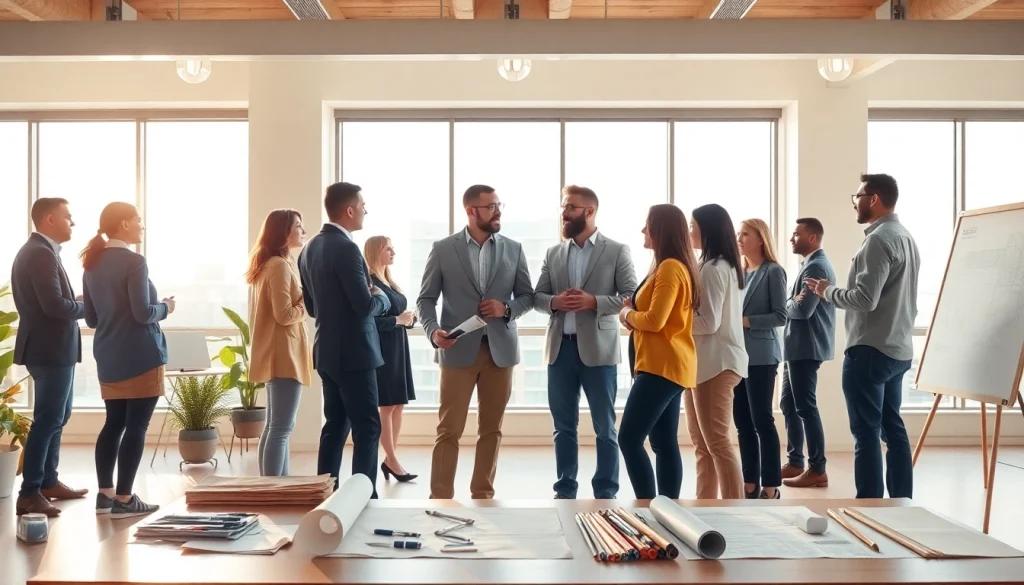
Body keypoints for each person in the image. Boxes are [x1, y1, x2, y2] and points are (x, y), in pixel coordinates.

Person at [417, 184, 535, 499]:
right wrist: (432, 331)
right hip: (457, 351)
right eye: (491, 206)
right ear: (471, 211)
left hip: (501, 351)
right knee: (449, 430)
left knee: (492, 429)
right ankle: (440, 496)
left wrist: (506, 308)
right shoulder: (443, 249)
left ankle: (482, 493)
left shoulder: (514, 248)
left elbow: (527, 296)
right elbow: (425, 300)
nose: (498, 211)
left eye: (499, 205)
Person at [806, 173, 919, 499]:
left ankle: (869, 506)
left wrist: (827, 291)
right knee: (893, 429)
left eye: (857, 196)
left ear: (873, 199)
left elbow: (864, 299)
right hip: (898, 349)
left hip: (870, 350)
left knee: (866, 432)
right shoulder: (907, 238)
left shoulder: (878, 240)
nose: (854, 202)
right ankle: (902, 502)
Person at [533, 185, 637, 500]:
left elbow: (631, 296)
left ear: (588, 211)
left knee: (605, 427)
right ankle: (565, 488)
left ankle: (606, 490)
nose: (564, 213)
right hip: (559, 350)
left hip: (599, 351)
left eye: (570, 207)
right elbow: (537, 297)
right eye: (563, 207)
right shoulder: (554, 252)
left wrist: (594, 301)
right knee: (563, 427)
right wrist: (554, 302)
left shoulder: (617, 250)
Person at [298, 182, 391, 497]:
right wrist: (382, 298)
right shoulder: (348, 248)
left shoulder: (309, 248)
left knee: (335, 427)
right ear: (350, 210)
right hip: (356, 353)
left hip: (326, 351)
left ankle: (325, 493)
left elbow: (311, 308)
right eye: (363, 205)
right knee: (367, 427)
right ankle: (362, 497)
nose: (366, 210)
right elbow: (364, 306)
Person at [82, 202, 172, 518]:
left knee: (114, 423)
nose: (141, 226)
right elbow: (142, 313)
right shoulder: (135, 262)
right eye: (138, 220)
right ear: (123, 225)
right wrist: (165, 307)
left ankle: (105, 495)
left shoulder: (91, 264)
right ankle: (124, 499)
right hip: (141, 356)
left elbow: (91, 319)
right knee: (137, 426)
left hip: (108, 356)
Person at [617, 204, 701, 500]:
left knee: (628, 439)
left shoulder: (669, 268)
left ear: (660, 230)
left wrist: (627, 313)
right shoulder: (669, 266)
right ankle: (668, 509)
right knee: (664, 443)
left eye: (647, 225)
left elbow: (655, 320)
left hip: (661, 368)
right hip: (666, 366)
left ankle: (647, 506)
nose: (643, 230)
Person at [11, 198, 88, 517]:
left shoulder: (41, 252)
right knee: (47, 420)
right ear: (49, 220)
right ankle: (29, 493)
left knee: (57, 417)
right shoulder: (40, 254)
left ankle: (48, 482)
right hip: (49, 349)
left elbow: (55, 301)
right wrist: (88, 308)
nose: (73, 222)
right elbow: (55, 306)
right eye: (68, 217)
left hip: (53, 348)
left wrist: (76, 302)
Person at [686, 204, 747, 499]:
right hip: (706, 363)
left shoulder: (713, 268)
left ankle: (736, 513)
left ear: (706, 229)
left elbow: (708, 322)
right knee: (703, 445)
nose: (689, 231)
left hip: (716, 364)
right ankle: (705, 508)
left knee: (718, 444)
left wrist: (673, 322)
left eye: (692, 226)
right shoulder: (717, 265)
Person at [247, 209, 312, 477]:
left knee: (276, 427)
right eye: (298, 225)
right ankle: (274, 489)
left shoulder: (271, 264)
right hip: (284, 354)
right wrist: (307, 301)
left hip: (279, 353)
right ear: (284, 233)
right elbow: (284, 315)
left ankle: (276, 487)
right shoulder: (280, 266)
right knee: (281, 428)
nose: (302, 231)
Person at [780, 217, 836, 489]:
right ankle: (795, 462)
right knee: (789, 405)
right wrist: (792, 301)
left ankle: (817, 468)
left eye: (796, 234)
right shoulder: (809, 265)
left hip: (806, 347)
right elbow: (797, 304)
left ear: (812, 237)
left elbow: (802, 310)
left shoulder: (817, 266)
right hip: (795, 348)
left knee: (805, 407)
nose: (792, 239)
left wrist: (785, 303)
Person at [735, 218, 787, 499]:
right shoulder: (739, 273)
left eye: (745, 234)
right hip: (737, 357)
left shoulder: (773, 272)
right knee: (742, 422)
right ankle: (749, 482)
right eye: (738, 234)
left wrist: (746, 321)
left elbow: (781, 315)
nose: (739, 239)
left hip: (762, 357)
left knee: (762, 420)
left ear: (760, 239)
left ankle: (770, 485)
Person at [364, 235, 418, 483]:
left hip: (397, 344)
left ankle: (390, 458)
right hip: (382, 347)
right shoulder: (370, 281)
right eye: (389, 248)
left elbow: (395, 314)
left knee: (398, 403)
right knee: (386, 405)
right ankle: (393, 460)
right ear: (377, 252)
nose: (394, 252)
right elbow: (370, 320)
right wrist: (397, 320)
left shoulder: (388, 281)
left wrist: (406, 319)